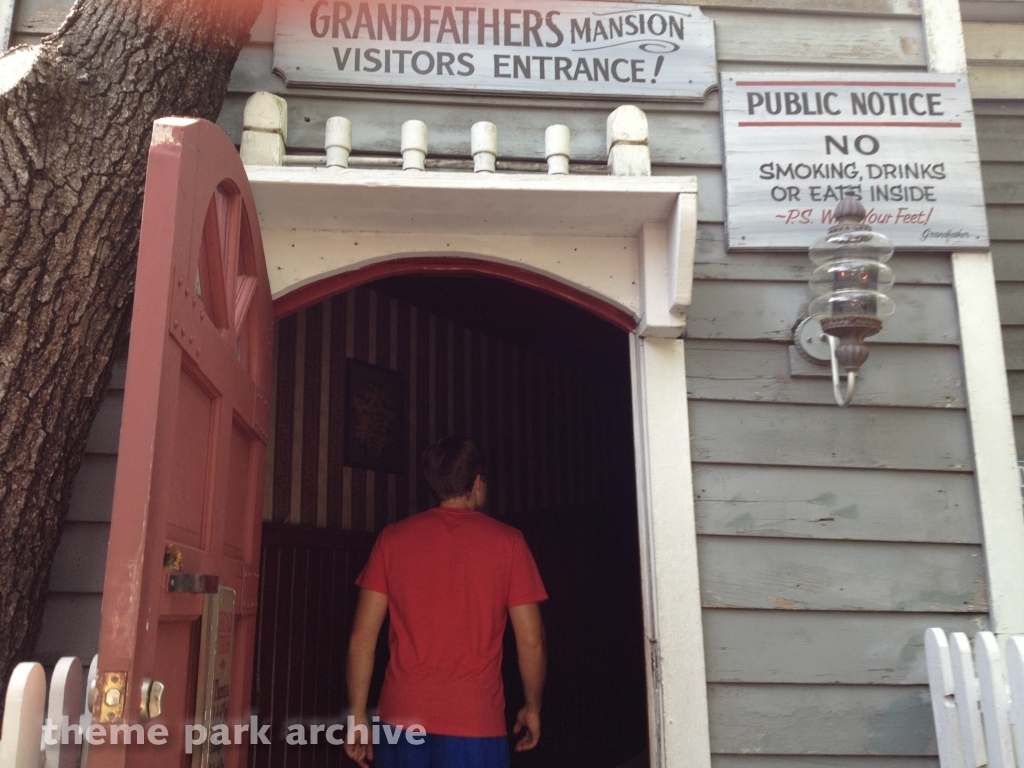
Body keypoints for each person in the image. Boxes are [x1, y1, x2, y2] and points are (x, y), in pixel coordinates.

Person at [345, 436, 548, 768]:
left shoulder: (392, 539)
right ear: (477, 483)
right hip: (475, 720)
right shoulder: (508, 543)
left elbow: (361, 639)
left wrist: (357, 716)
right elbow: (532, 641)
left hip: (401, 718)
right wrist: (533, 707)